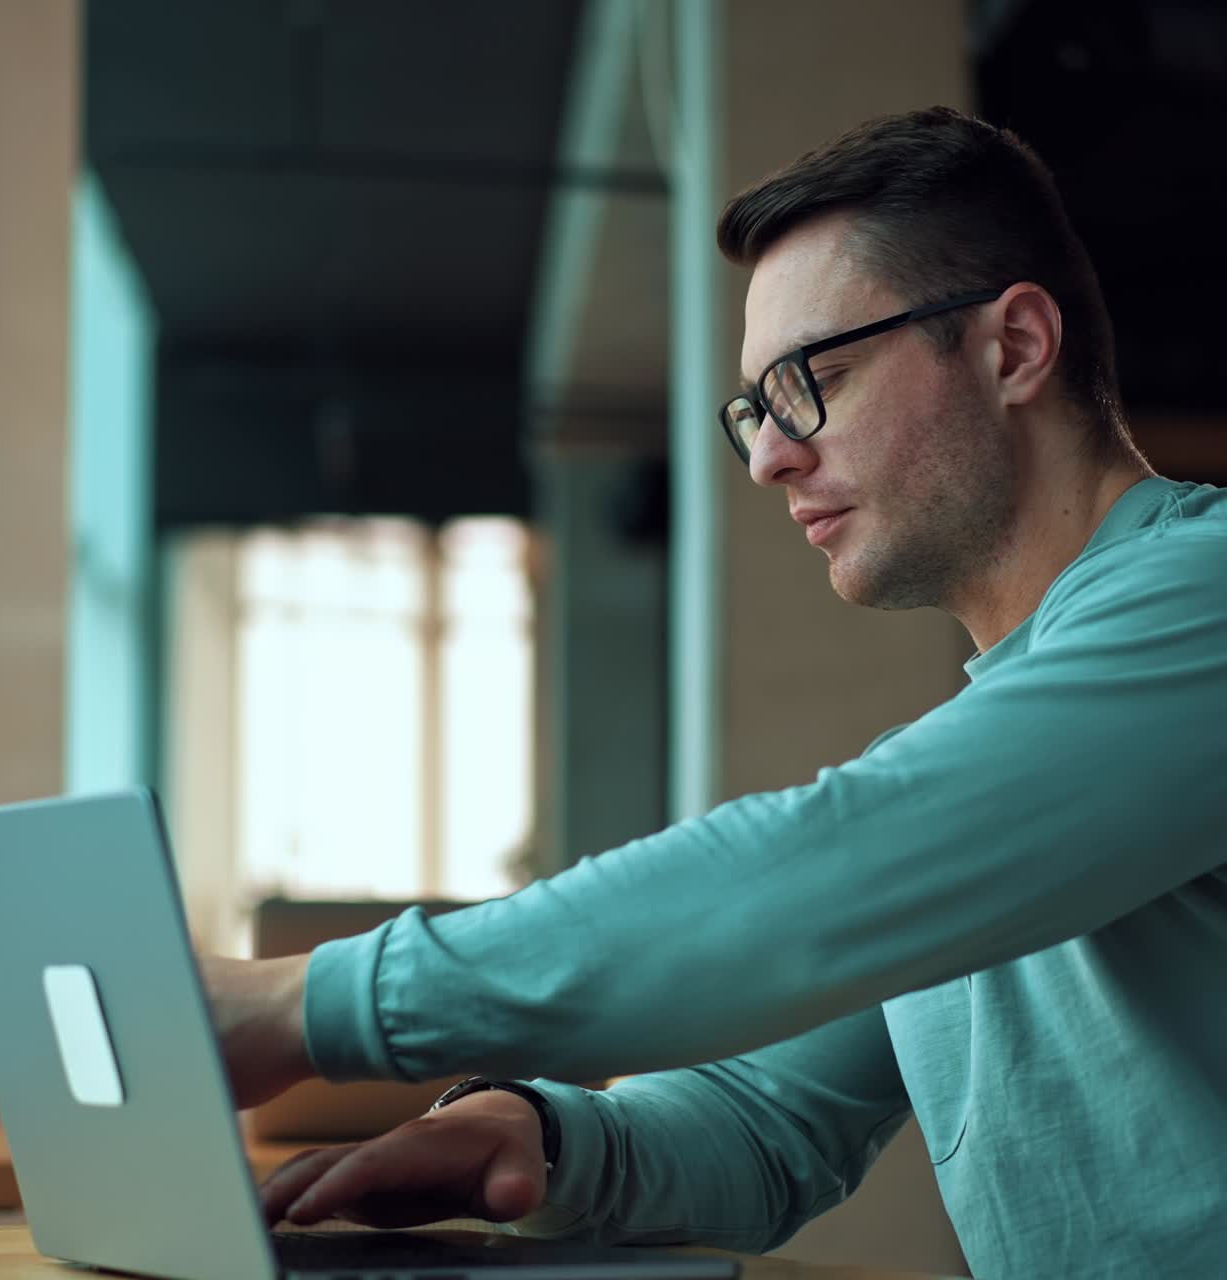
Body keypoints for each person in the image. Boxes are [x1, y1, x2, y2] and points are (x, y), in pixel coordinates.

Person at [203, 107, 1227, 1276]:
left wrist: (315, 1003)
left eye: (813, 379)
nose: (765, 456)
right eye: (753, 406)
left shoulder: (1207, 593)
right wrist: (537, 1130)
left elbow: (830, 870)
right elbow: (766, 1121)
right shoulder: (988, 777)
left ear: (1012, 347)